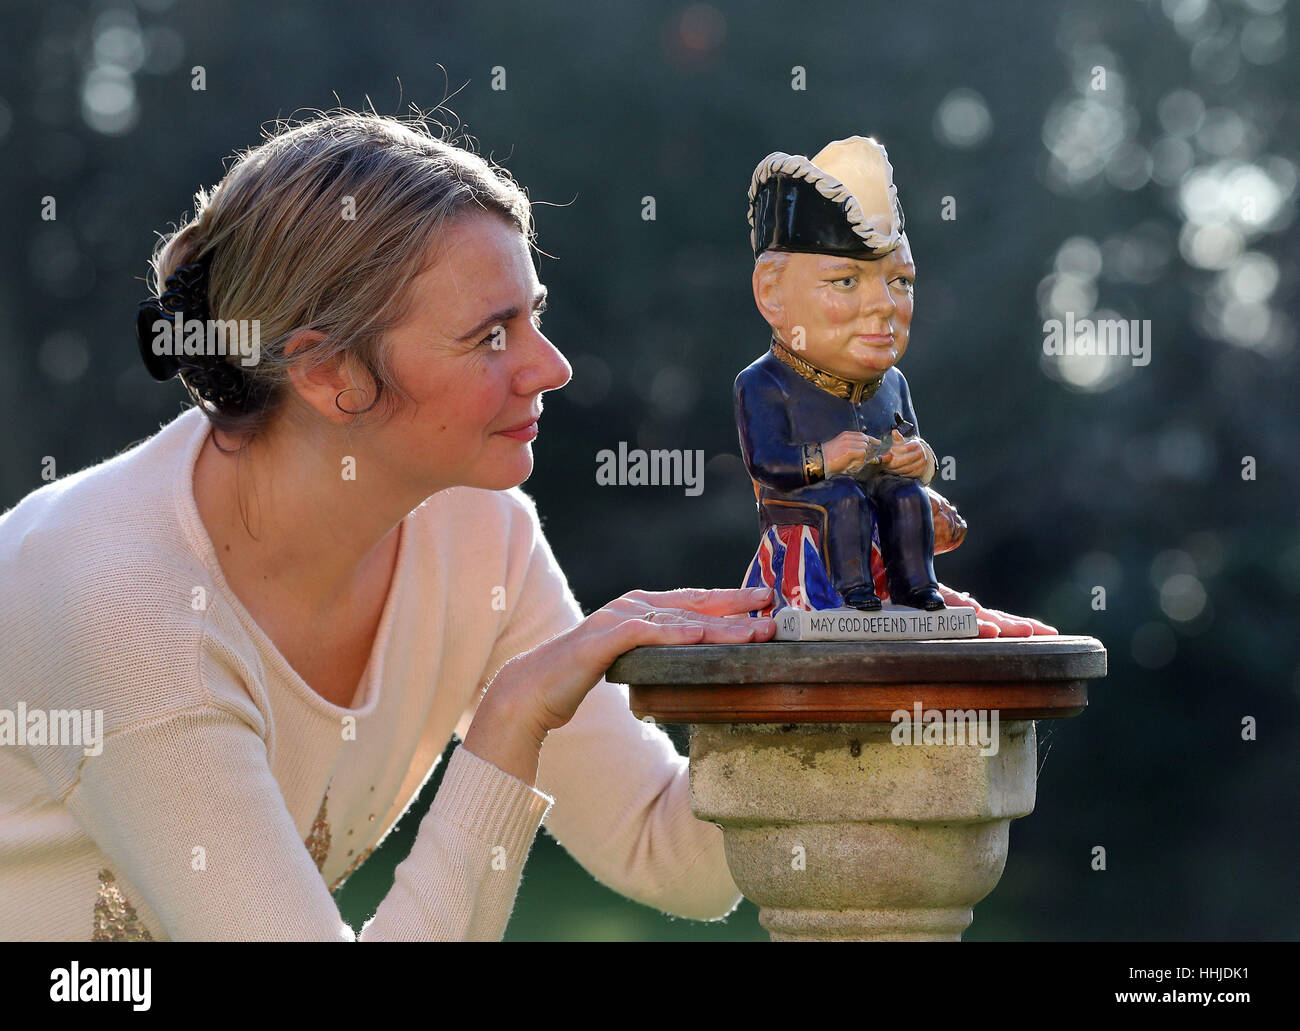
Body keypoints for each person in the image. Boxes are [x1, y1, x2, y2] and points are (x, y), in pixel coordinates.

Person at [0, 109, 777, 941]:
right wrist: (513, 717)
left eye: (532, 314)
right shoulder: (127, 609)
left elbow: (672, 851)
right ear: (329, 370)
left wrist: (837, 654)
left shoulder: (481, 536)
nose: (550, 367)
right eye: (490, 335)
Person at [736, 136, 944, 611]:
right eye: (846, 281)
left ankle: (917, 589)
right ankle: (853, 593)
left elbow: (907, 440)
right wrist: (823, 459)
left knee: (907, 495)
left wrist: (917, 460)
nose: (885, 305)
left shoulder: (891, 383)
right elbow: (767, 463)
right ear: (772, 295)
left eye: (901, 282)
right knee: (845, 497)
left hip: (872, 487)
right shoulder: (764, 382)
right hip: (801, 502)